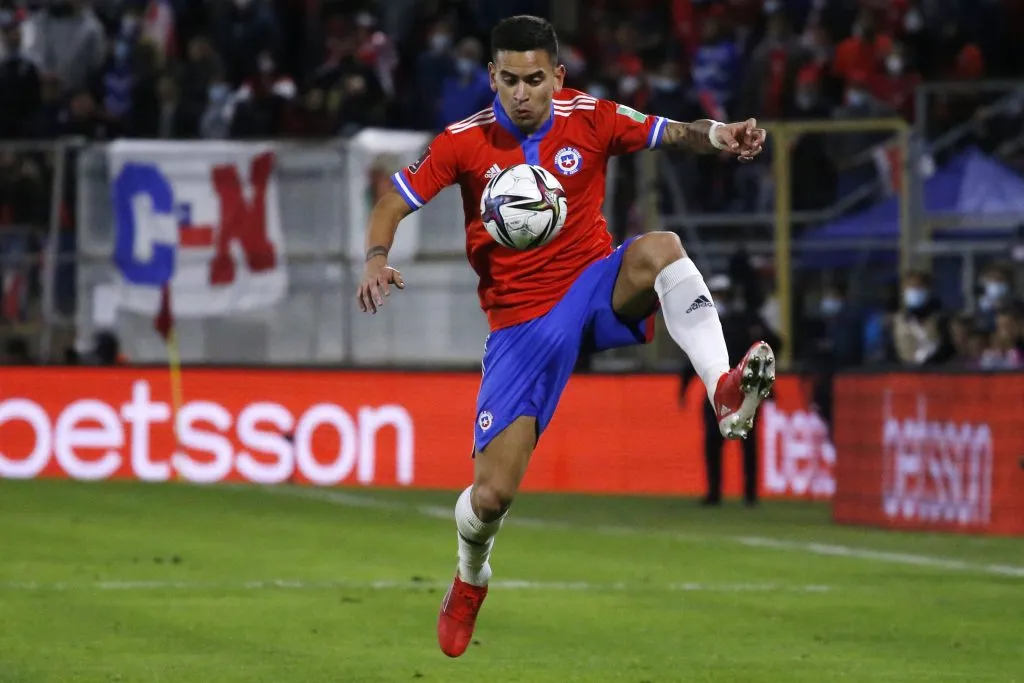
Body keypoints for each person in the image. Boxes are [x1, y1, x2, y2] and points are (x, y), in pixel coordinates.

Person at [355, 15, 774, 658]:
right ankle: (471, 578)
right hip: (519, 324)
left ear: (558, 76)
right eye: (510, 81)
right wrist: (376, 257)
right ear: (492, 76)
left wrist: (723, 134)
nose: (522, 93)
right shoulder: (462, 143)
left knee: (661, 248)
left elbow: (675, 132)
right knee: (490, 497)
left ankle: (721, 388)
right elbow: (393, 200)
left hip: (591, 288)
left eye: (535, 80)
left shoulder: (593, 116)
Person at [680, 275, 781, 507]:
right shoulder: (721, 322)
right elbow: (693, 357)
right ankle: (720, 493)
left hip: (739, 391)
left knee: (745, 445)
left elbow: (772, 344)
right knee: (716, 444)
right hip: (720, 391)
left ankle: (745, 494)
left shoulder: (741, 321)